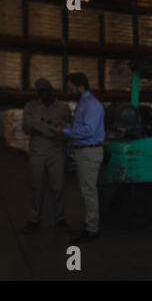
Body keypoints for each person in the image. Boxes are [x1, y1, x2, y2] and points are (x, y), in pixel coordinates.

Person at [52, 72, 105, 244]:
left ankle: (92, 229)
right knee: (86, 190)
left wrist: (65, 131)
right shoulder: (83, 103)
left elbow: (89, 130)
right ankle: (89, 224)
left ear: (80, 85)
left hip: (89, 152)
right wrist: (66, 126)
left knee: (89, 192)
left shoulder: (92, 105)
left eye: (70, 88)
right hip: (83, 151)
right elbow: (82, 127)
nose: (69, 92)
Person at [22, 78, 72, 233]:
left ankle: (60, 218)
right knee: (37, 187)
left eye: (46, 90)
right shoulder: (31, 107)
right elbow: (26, 127)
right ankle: (34, 219)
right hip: (37, 153)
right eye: (40, 91)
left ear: (52, 90)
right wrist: (47, 129)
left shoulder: (63, 108)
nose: (43, 94)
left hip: (56, 152)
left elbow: (68, 127)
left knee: (58, 187)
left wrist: (58, 131)